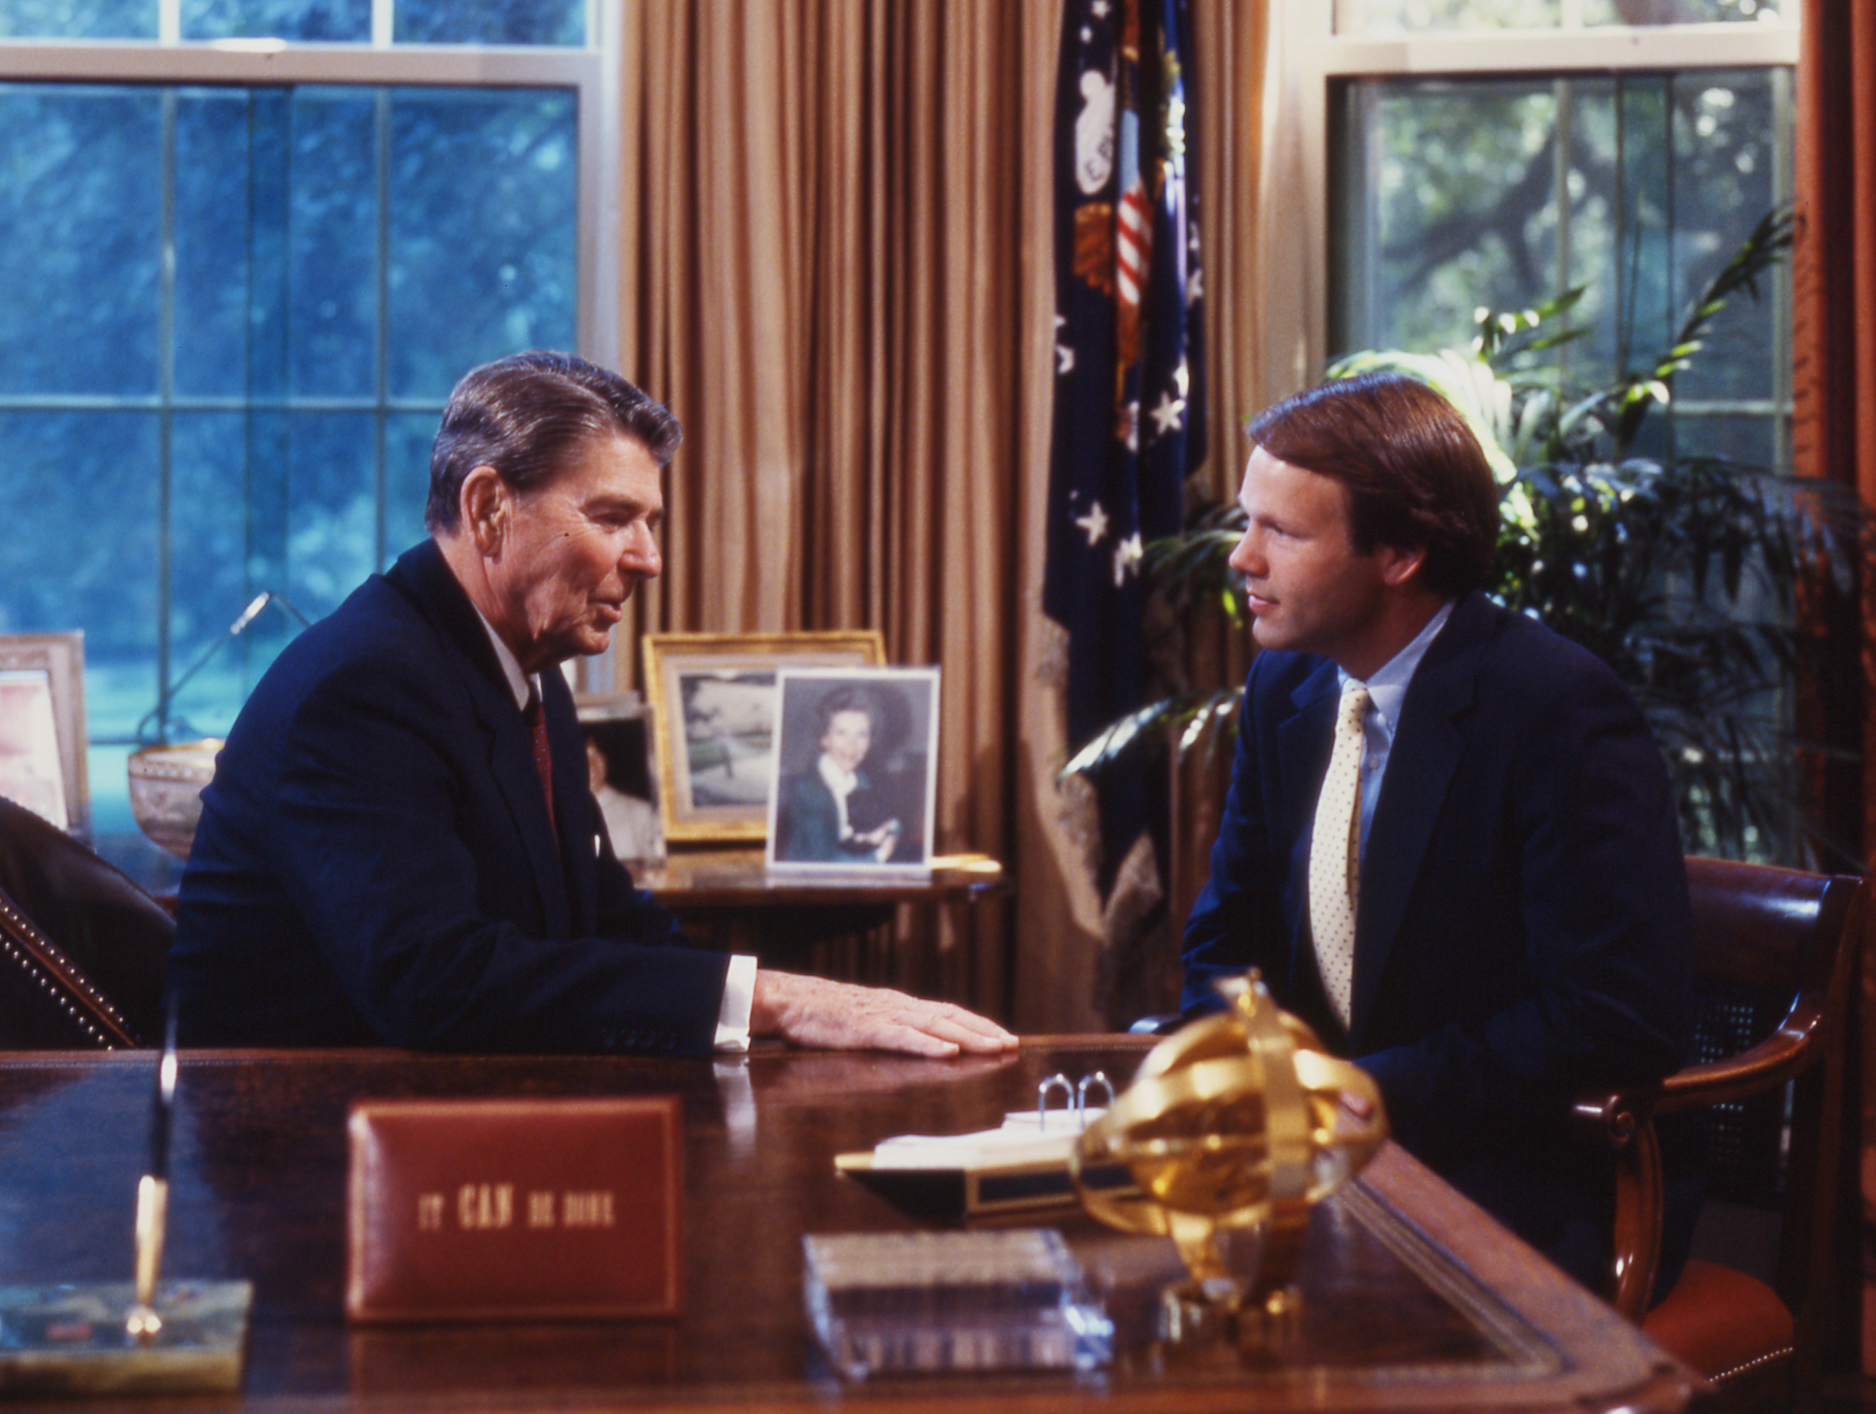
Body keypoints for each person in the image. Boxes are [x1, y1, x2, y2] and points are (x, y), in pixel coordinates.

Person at [166, 351, 1015, 1060]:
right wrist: (775, 1004)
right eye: (613, 518)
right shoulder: (362, 687)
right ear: (489, 508)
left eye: (651, 523)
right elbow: (436, 985)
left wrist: (806, 1003)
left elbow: (604, 922)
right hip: (300, 1182)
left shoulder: (522, 672)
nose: (647, 559)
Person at [1180, 371, 1694, 1294]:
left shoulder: (1554, 706)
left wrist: (1359, 1093)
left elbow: (1611, 1014)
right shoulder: (1284, 689)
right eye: (1246, 522)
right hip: (1313, 1155)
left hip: (1519, 1171)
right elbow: (1228, 938)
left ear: (1402, 554)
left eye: (1281, 533)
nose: (1241, 559)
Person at [772, 685, 903, 864]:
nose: (852, 745)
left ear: (871, 741)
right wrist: (878, 856)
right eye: (841, 733)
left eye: (862, 734)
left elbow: (892, 821)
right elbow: (823, 860)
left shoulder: (861, 779)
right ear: (824, 738)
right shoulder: (810, 793)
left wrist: (882, 832)